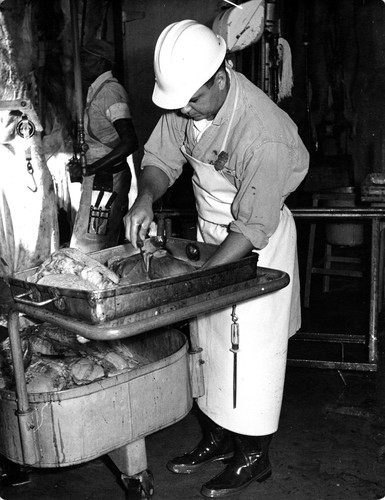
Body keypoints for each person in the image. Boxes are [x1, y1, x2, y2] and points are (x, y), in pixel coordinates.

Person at [124, 20, 309, 498]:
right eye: (177, 102)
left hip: (257, 241)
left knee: (250, 351)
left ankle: (255, 456)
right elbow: (161, 161)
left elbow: (251, 228)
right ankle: (218, 438)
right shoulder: (186, 99)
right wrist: (145, 198)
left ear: (222, 74)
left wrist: (204, 277)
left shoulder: (263, 132)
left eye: (192, 100)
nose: (183, 109)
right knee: (207, 338)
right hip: (209, 232)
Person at [69, 39, 138, 252]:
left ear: (100, 63)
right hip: (98, 179)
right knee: (92, 240)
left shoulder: (110, 92)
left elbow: (129, 142)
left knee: (91, 245)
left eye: (84, 60)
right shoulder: (96, 91)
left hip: (105, 181)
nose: (78, 66)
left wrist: (92, 168)